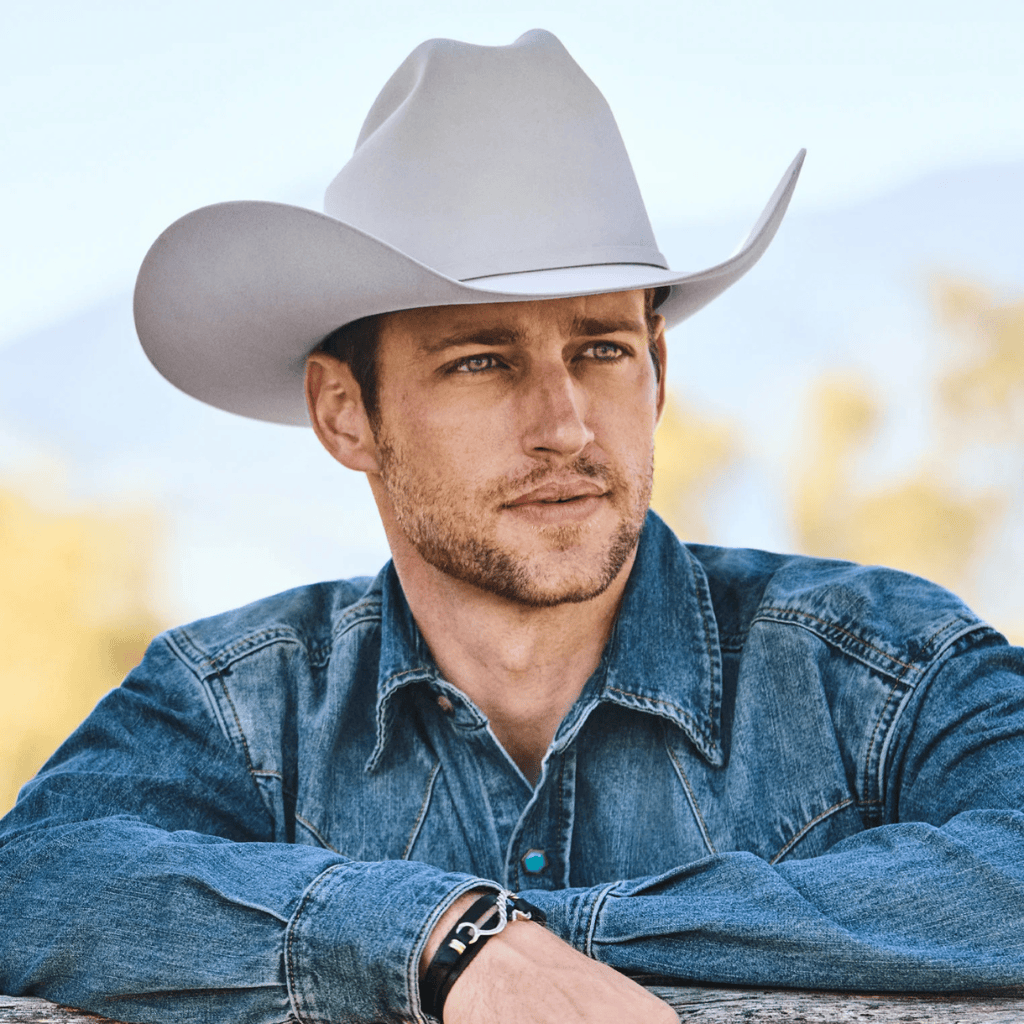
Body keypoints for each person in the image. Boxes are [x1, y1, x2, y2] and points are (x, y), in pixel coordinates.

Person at [2, 28, 1023, 1024]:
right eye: (482, 361)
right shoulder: (244, 705)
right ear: (344, 412)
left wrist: (491, 943)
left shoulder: (883, 666)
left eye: (602, 349)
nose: (565, 425)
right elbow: (32, 876)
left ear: (657, 370)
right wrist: (437, 937)